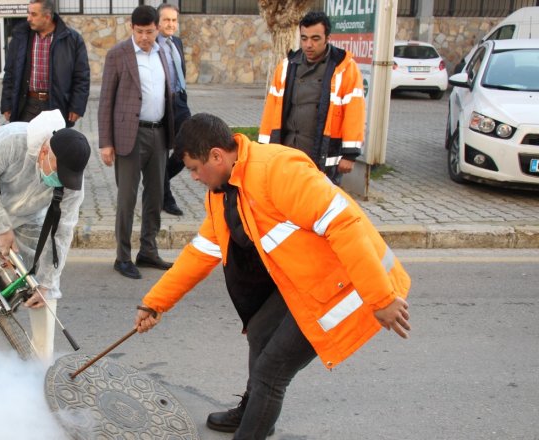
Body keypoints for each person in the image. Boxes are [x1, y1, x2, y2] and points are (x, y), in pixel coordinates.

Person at [134, 113, 411, 439]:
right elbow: (199, 255)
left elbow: (344, 225)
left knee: (271, 372)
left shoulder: (277, 171)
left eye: (195, 168)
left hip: (349, 285)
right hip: (304, 282)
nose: (193, 177)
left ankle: (254, 428)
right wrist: (155, 303)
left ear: (217, 156)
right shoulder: (223, 193)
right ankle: (255, 411)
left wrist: (380, 297)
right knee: (260, 330)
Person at [0, 110, 90, 363]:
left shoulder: (73, 183)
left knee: (42, 283)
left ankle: (42, 356)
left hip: (31, 215)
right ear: (44, 153)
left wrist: (47, 282)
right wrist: (0, 228)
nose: (60, 181)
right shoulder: (8, 141)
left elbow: (62, 231)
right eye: (58, 173)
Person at [98, 5, 175, 280]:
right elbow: (106, 99)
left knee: (155, 196)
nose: (145, 37)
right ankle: (122, 256)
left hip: (159, 134)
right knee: (126, 199)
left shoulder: (163, 51)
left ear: (157, 28)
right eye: (140, 31)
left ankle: (148, 251)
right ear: (132, 28)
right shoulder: (118, 54)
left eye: (150, 31)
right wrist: (106, 142)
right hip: (129, 136)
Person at [258, 11, 365, 185]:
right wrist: (262, 149)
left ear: (327, 38)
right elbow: (271, 109)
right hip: (287, 152)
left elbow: (354, 112)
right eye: (304, 38)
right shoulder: (287, 66)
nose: (308, 45)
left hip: (322, 155)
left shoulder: (344, 68)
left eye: (315, 39)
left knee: (319, 208)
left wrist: (350, 154)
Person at [0, 0, 89, 127]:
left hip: (57, 106)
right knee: (27, 145)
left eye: (34, 14)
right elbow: (10, 72)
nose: (28, 18)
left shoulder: (72, 39)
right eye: (28, 13)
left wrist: (77, 107)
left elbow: (82, 77)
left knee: (53, 146)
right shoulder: (20, 37)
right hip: (26, 106)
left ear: (47, 17)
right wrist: (7, 104)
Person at [156, 3, 190, 216]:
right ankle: (165, 197)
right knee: (161, 152)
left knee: (189, 144)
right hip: (161, 103)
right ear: (157, 22)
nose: (171, 24)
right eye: (167, 20)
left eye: (174, 20)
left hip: (180, 101)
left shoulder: (176, 42)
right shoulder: (152, 45)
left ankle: (158, 180)